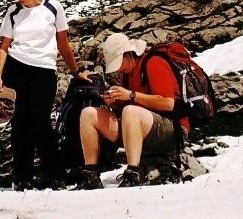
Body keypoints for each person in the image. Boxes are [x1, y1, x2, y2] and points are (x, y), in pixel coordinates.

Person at [0, 0, 81, 190]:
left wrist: (75, 71)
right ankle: (22, 176)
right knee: (20, 122)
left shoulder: (53, 7)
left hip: (43, 69)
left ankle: (54, 174)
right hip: (17, 67)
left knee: (41, 121)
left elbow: (63, 43)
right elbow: (4, 46)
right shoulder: (13, 12)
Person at [76, 33, 189, 189]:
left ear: (128, 54)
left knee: (130, 111)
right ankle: (91, 174)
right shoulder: (127, 75)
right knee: (88, 114)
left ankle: (132, 173)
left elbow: (169, 103)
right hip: (142, 128)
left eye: (119, 62)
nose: (118, 69)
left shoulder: (153, 63)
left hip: (172, 131)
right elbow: (129, 112)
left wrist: (131, 95)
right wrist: (114, 103)